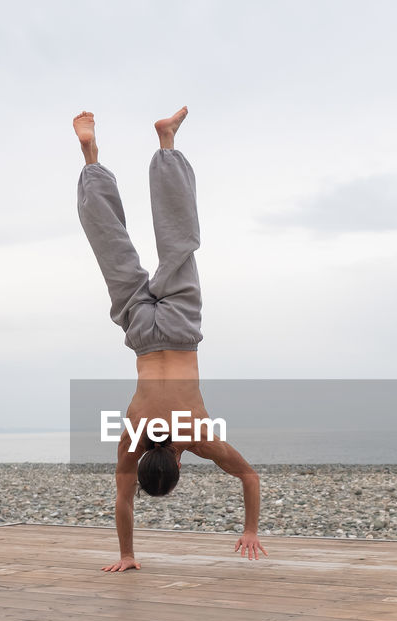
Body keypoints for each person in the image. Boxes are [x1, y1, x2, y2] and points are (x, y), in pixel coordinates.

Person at [74, 107, 266, 572]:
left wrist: (251, 529)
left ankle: (167, 144)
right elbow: (122, 500)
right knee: (111, 248)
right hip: (140, 331)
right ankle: (90, 159)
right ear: (144, 467)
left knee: (179, 242)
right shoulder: (132, 440)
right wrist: (125, 554)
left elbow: (249, 476)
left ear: (180, 467)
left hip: (179, 330)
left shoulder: (199, 437)